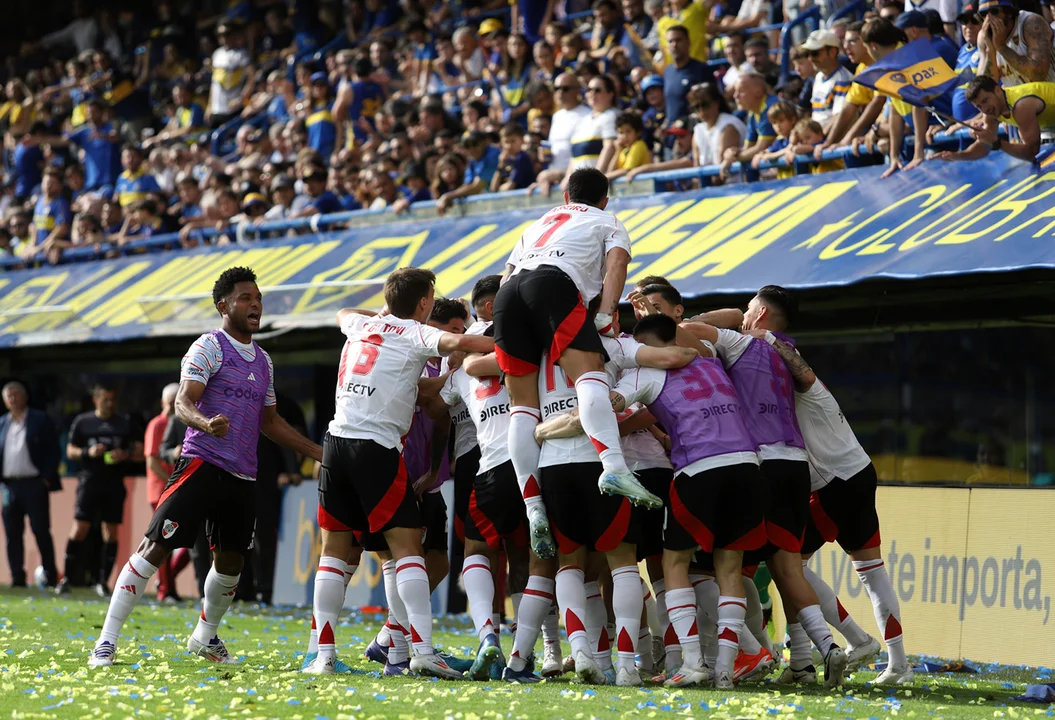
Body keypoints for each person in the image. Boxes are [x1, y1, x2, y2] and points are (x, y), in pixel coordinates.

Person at [87, 266, 324, 667]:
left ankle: (204, 636)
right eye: (245, 298)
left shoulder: (264, 361)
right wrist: (205, 423)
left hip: (243, 475)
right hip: (201, 463)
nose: (255, 305)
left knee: (231, 565)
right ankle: (105, 642)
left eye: (258, 298)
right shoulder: (209, 347)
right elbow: (183, 402)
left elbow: (270, 423)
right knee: (154, 548)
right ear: (223, 306)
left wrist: (320, 453)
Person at [309, 267, 494, 678]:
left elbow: (342, 312)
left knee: (333, 553)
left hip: (336, 443)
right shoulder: (417, 334)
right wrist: (512, 342)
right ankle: (422, 652)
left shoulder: (359, 325)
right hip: (377, 447)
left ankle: (323, 656)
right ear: (425, 302)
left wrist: (384, 314)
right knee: (408, 550)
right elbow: (463, 342)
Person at [494, 167, 661, 575]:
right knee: (590, 375)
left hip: (507, 297)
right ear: (605, 199)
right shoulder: (608, 220)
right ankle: (614, 468)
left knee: (521, 407)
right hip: (553, 285)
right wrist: (604, 315)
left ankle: (532, 505)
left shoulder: (538, 223)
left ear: (566, 196)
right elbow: (616, 266)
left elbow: (506, 276)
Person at [681, 287, 849, 688]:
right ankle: (812, 657)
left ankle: (738, 657)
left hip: (761, 463)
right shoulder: (787, 351)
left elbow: (686, 329)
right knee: (787, 568)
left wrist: (726, 316)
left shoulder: (741, 343)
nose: (742, 316)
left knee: (723, 565)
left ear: (758, 313)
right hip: (796, 464)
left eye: (748, 309)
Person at [529, 309, 697, 687]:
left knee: (571, 565)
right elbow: (677, 356)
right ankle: (626, 666)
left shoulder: (538, 351)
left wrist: (541, 431)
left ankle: (585, 653)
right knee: (622, 565)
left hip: (554, 466)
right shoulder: (613, 345)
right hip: (605, 463)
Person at [759, 330, 912, 685]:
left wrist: (764, 336)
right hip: (857, 471)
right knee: (873, 573)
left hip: (833, 484)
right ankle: (898, 665)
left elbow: (798, 368)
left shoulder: (800, 383)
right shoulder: (799, 390)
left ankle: (856, 640)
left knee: (788, 564)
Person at [58, 383, 144, 597]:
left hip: (114, 483)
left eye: (112, 400)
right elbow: (70, 451)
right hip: (89, 481)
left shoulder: (125, 422)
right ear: (96, 400)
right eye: (105, 400)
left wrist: (125, 455)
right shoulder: (83, 422)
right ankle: (66, 579)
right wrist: (88, 452)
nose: (110, 404)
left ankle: (102, 582)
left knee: (110, 531)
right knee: (80, 527)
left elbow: (141, 452)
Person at [0, 382, 60, 588]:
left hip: (34, 483)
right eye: (9, 396)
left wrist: (46, 478)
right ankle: (17, 576)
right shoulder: (2, 423)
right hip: (9, 486)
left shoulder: (39, 419)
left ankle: (50, 574)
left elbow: (53, 450)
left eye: (16, 394)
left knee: (41, 530)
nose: (13, 399)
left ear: (25, 396)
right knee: (12, 533)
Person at [936, 76, 1055, 161]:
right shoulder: (991, 112)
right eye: (979, 106)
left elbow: (1031, 152)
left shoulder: (1021, 106)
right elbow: (984, 147)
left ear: (998, 91)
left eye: (985, 100)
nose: (984, 109)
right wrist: (955, 156)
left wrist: (996, 142)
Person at [144, 383, 187, 602]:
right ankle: (165, 589)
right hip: (161, 490)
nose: (172, 407)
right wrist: (172, 482)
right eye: (169, 402)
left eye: (175, 402)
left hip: (181, 489)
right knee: (163, 540)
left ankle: (168, 580)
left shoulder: (184, 422)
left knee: (190, 540)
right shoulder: (157, 425)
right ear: (162, 402)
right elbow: (152, 461)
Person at [531, 73, 590, 195]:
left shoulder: (588, 115)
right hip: (556, 181)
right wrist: (544, 155)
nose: (560, 92)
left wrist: (562, 174)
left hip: (577, 180)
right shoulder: (557, 116)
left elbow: (586, 155)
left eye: (565, 88)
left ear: (578, 90)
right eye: (556, 88)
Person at [976, 0, 1055, 88]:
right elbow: (984, 87)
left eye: (994, 11)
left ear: (1009, 12)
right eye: (983, 14)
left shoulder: (1031, 23)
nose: (988, 19)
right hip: (1017, 94)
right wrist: (990, 49)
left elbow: (1038, 75)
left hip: (1048, 91)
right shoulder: (984, 36)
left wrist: (1001, 47)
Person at [562, 75, 619, 188]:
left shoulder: (612, 115)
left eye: (597, 90)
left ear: (610, 94)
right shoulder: (583, 120)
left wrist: (596, 178)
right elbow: (575, 154)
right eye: (589, 90)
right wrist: (568, 178)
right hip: (580, 186)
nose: (592, 93)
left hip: (596, 187)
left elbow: (609, 147)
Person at [720, 71, 779, 179]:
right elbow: (748, 148)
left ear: (758, 91)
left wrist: (732, 158)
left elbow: (761, 147)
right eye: (735, 91)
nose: (735, 96)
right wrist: (732, 152)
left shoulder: (771, 107)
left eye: (741, 91)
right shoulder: (752, 113)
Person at [800, 30, 853, 132]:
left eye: (815, 53)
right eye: (807, 54)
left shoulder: (843, 79)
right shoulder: (818, 77)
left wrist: (822, 137)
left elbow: (840, 117)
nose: (810, 59)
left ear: (832, 52)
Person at [663, 25, 717, 124]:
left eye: (678, 40)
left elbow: (713, 103)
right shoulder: (668, 71)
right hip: (673, 130)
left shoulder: (702, 70)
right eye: (670, 41)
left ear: (688, 42)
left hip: (695, 129)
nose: (674, 45)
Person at [209, 22, 255, 127]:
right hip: (217, 109)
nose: (224, 38)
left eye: (227, 34)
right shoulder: (217, 54)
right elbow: (214, 82)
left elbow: (252, 78)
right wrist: (209, 106)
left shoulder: (241, 54)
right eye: (221, 35)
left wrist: (241, 99)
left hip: (233, 108)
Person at [605, 111, 651, 179]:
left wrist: (605, 177)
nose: (624, 136)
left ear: (638, 132)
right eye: (621, 132)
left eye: (628, 131)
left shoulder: (638, 145)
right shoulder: (624, 150)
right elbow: (611, 171)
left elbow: (627, 170)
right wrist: (617, 152)